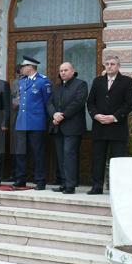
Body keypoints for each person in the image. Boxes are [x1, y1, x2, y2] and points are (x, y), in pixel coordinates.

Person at [86, 54, 132, 195]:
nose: (109, 66)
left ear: (118, 66)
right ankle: (97, 187)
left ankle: (117, 188)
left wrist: (114, 117)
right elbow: (90, 102)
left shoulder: (126, 81)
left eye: (112, 64)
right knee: (98, 158)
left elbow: (129, 104)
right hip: (99, 127)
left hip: (117, 127)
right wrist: (95, 115)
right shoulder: (98, 81)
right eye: (107, 64)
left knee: (117, 160)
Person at [46, 62, 88, 194]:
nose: (62, 73)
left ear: (72, 71)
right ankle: (64, 183)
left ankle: (71, 185)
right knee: (61, 156)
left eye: (65, 70)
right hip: (58, 127)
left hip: (72, 127)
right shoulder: (57, 87)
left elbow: (78, 103)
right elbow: (49, 102)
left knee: (69, 155)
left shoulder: (81, 84)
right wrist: (54, 114)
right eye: (61, 71)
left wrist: (62, 115)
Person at [13, 56, 52, 190]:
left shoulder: (43, 81)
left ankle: (40, 180)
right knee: (20, 152)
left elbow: (47, 102)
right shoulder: (22, 81)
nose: (21, 69)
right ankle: (21, 179)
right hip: (21, 121)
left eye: (23, 67)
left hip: (36, 122)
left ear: (30, 67)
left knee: (38, 153)